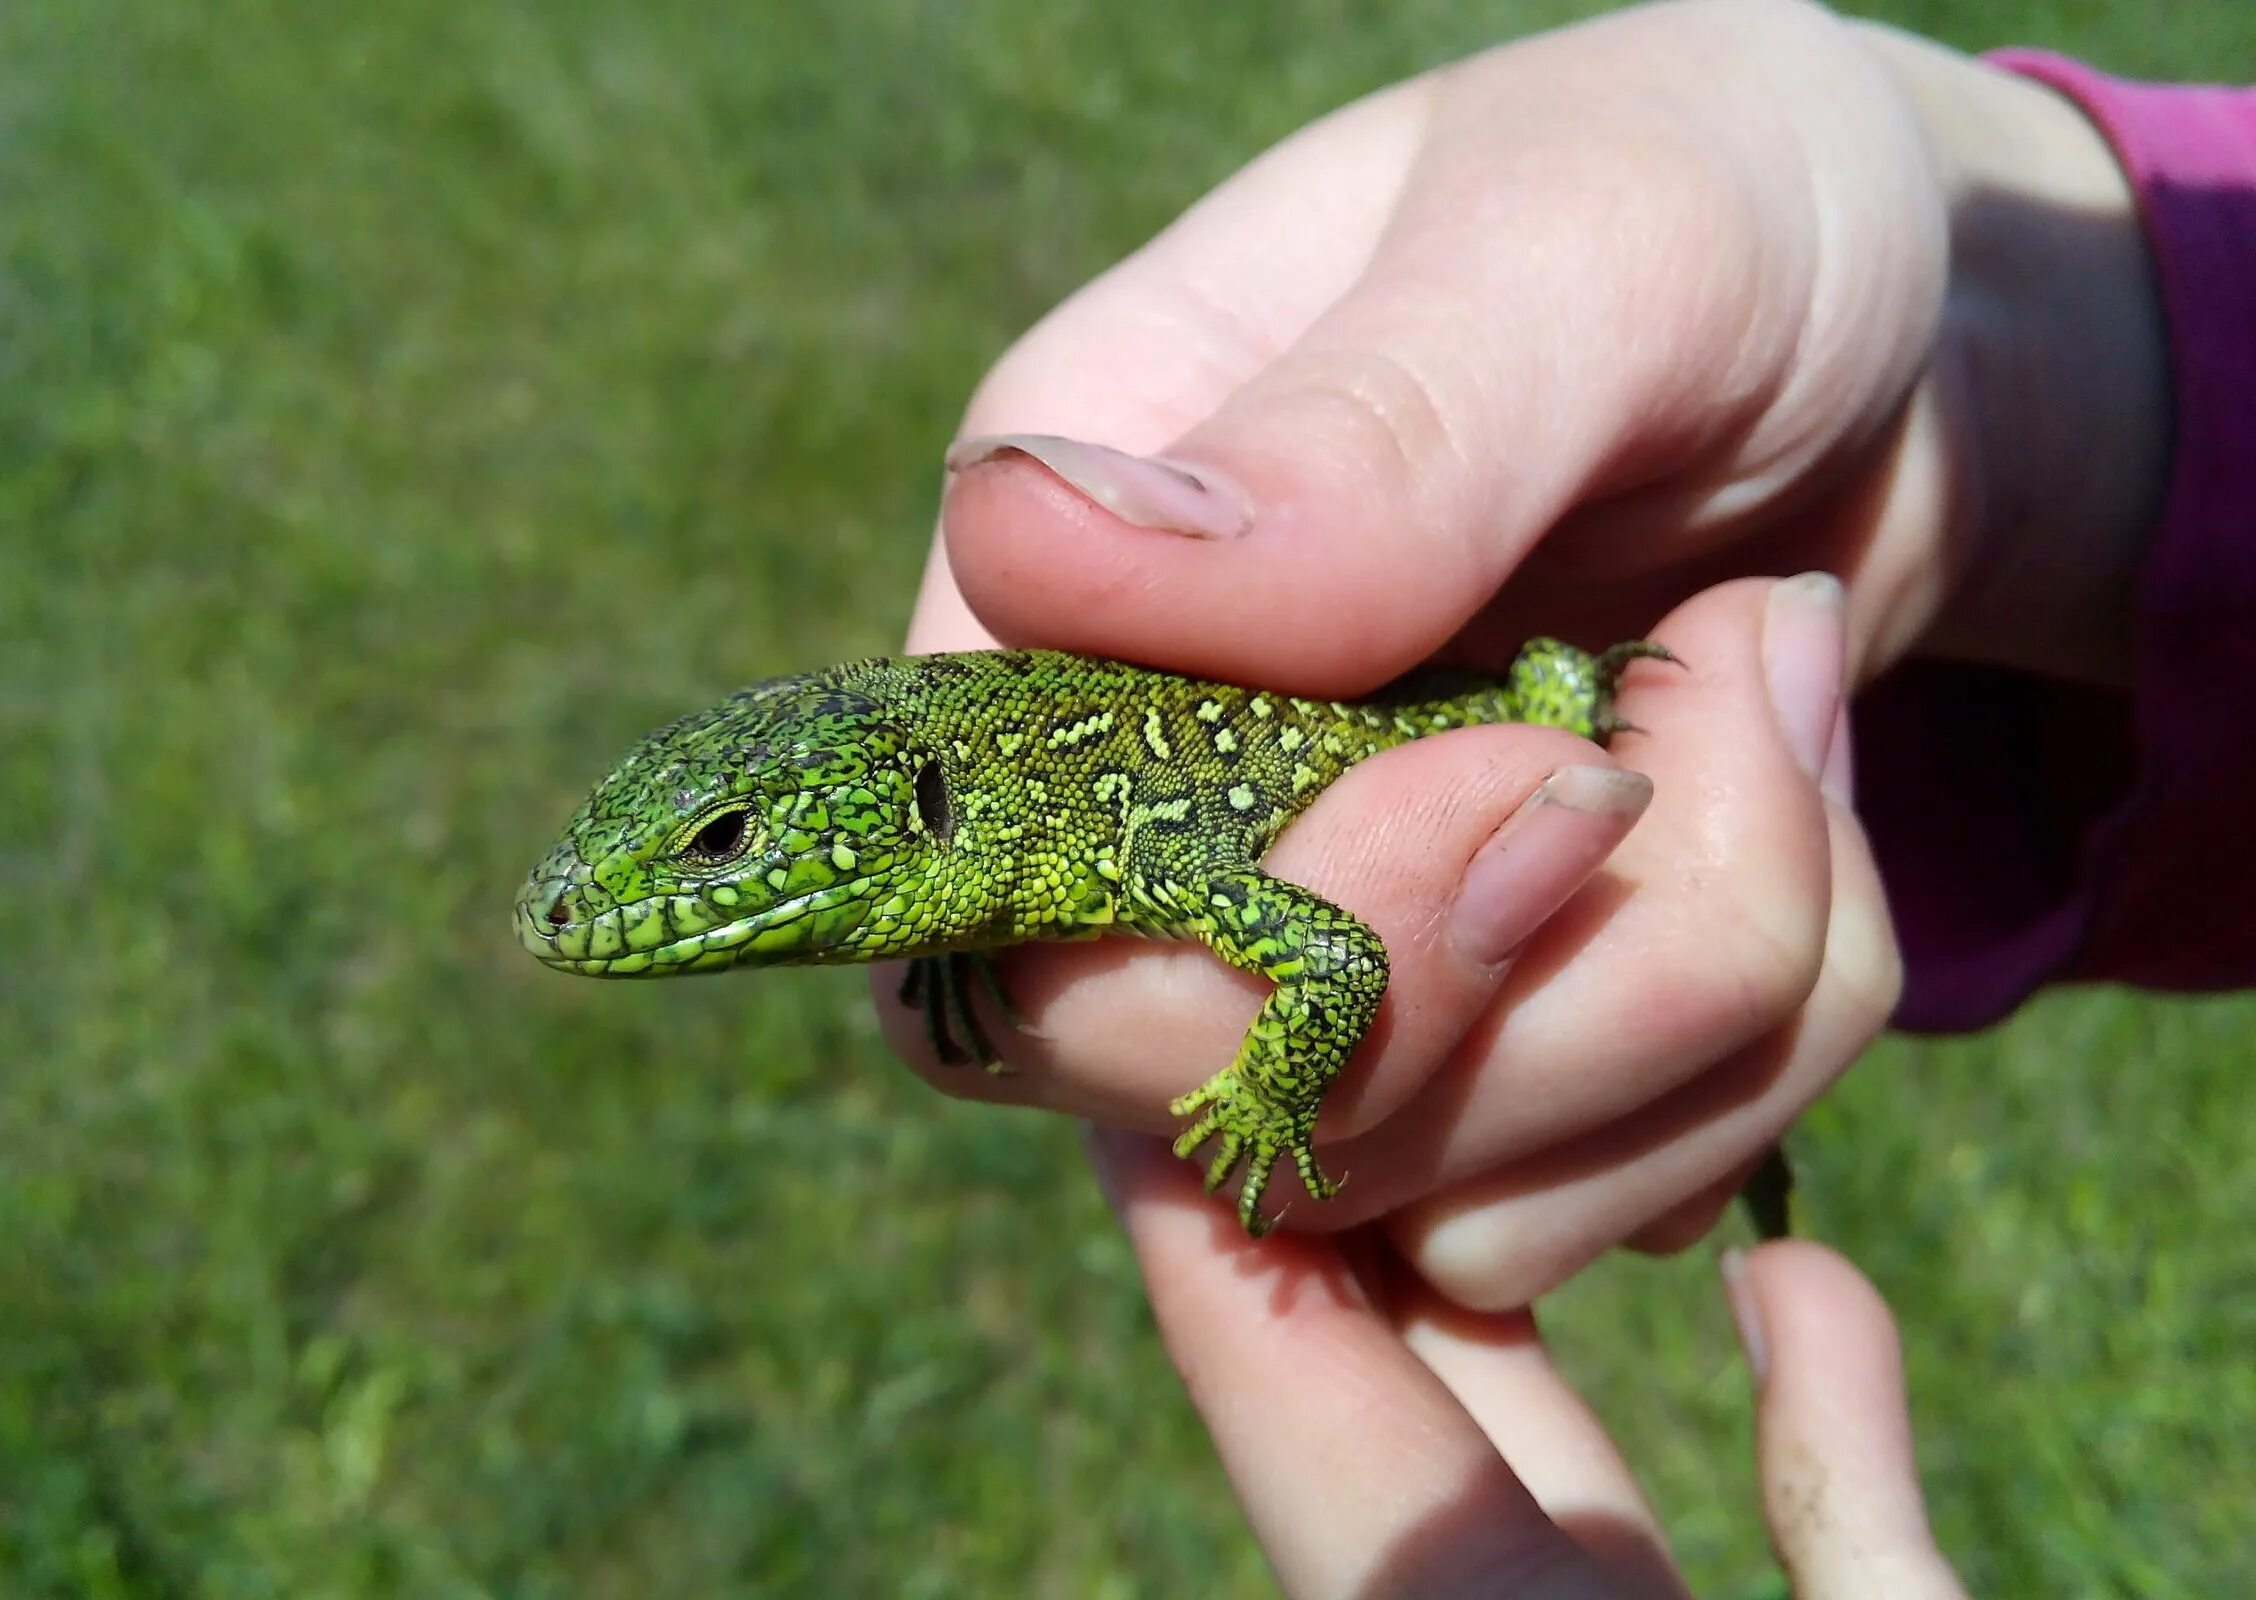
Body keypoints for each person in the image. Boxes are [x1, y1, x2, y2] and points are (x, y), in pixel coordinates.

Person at [879, 0, 2256, 1591]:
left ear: (910, 806)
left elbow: (1331, 960)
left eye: (721, 851)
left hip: (1505, 697)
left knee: (1549, 713)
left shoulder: (1126, 831)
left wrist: (1264, 1096)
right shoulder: (1021, 846)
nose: (613, 908)